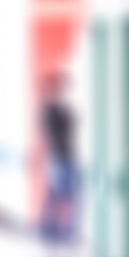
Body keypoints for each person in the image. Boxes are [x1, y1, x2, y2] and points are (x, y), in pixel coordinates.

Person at [38, 70, 80, 244]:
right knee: (58, 194)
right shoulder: (48, 110)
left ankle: (58, 230)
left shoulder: (65, 109)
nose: (63, 90)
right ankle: (49, 230)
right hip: (57, 157)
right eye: (61, 86)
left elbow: (72, 128)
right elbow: (51, 134)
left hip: (69, 156)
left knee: (66, 195)